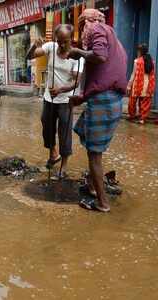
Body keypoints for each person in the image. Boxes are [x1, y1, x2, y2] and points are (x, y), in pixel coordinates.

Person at [68, 9, 128, 212]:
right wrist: (82, 98)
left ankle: (102, 203)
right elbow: (103, 77)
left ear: (88, 21)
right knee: (82, 129)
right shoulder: (117, 42)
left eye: (82, 25)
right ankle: (93, 185)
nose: (82, 30)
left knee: (94, 154)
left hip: (103, 101)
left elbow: (99, 57)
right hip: (111, 100)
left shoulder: (97, 28)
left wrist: (79, 53)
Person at [28, 24, 84, 178]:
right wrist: (34, 45)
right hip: (49, 98)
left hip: (66, 100)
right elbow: (30, 56)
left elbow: (76, 83)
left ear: (71, 39)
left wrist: (61, 90)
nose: (61, 45)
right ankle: (53, 154)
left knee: (64, 133)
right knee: (47, 126)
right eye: (59, 41)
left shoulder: (77, 57)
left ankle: (64, 166)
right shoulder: (51, 47)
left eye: (65, 41)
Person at [127, 44, 156, 124]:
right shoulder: (152, 61)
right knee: (145, 102)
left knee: (132, 101)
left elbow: (133, 74)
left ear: (140, 51)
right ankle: (142, 119)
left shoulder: (137, 61)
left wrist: (129, 86)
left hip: (138, 85)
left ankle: (132, 115)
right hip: (148, 85)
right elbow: (152, 74)